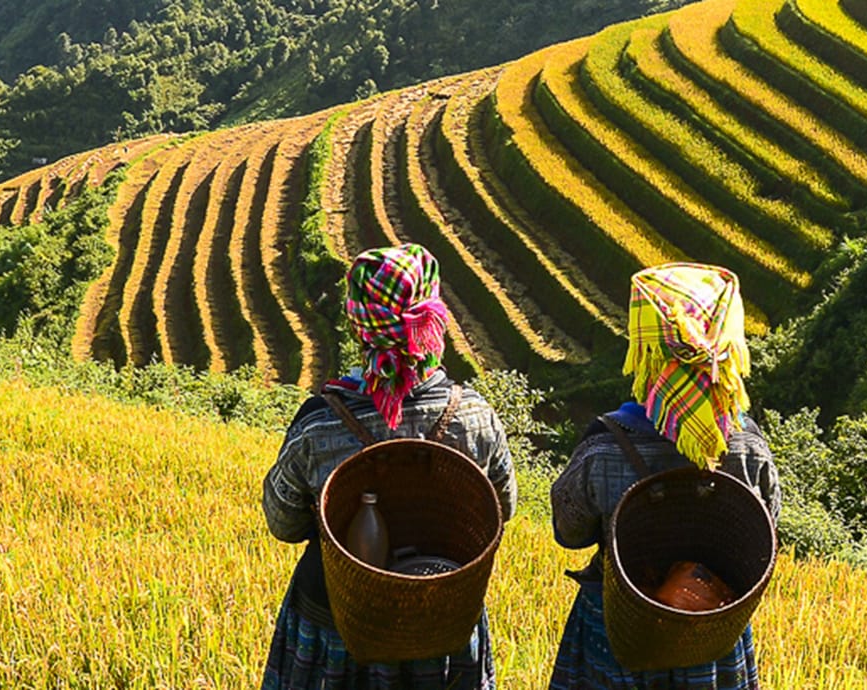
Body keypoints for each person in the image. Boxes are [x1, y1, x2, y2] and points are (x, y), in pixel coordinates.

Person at [261, 244, 517, 689]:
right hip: (442, 623)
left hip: (338, 622)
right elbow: (504, 508)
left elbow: (283, 522)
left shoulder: (319, 426)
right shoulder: (477, 419)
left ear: (360, 326)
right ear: (432, 320)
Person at [548, 263, 783, 689]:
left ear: (646, 350)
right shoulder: (750, 447)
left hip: (619, 629)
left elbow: (570, 532)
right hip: (709, 633)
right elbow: (765, 530)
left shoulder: (604, 448)